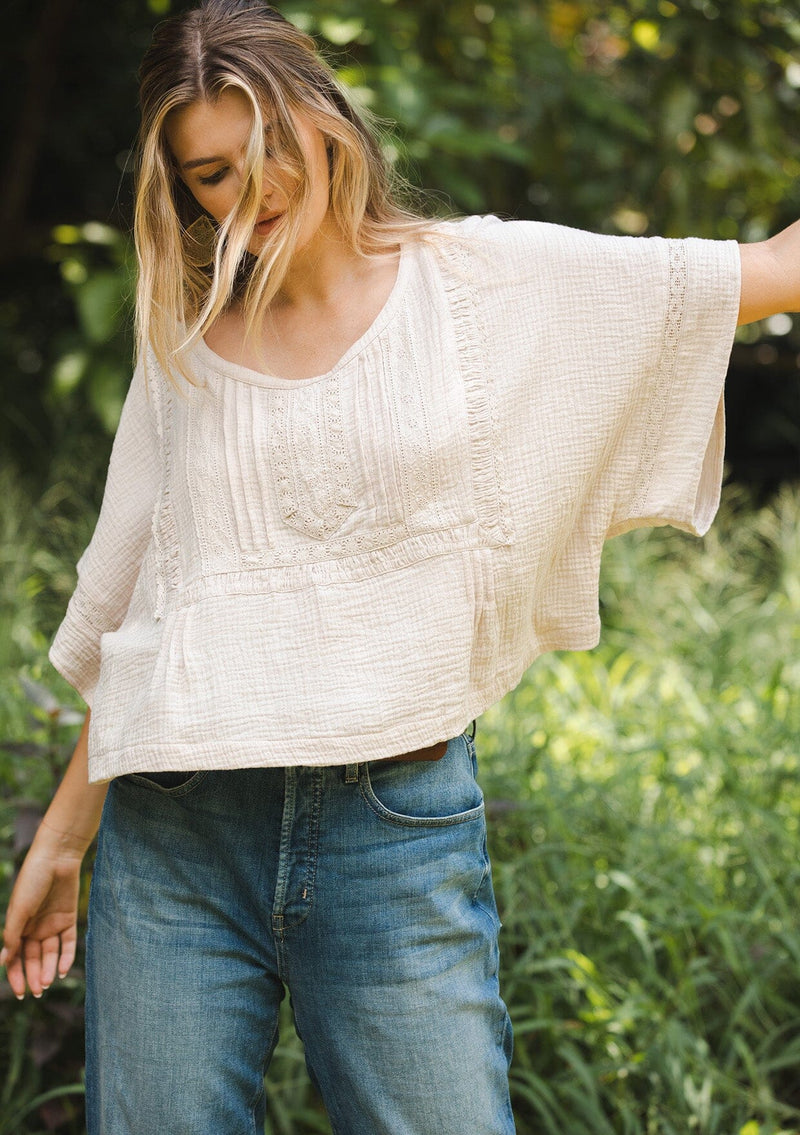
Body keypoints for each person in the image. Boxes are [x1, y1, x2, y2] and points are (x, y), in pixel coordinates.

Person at [1, 1, 798, 1132]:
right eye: (215, 176)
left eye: (271, 147)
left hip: (392, 831)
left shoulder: (479, 283)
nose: (254, 191)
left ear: (323, 119)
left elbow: (765, 269)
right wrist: (67, 835)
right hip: (175, 838)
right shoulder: (185, 337)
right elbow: (148, 603)